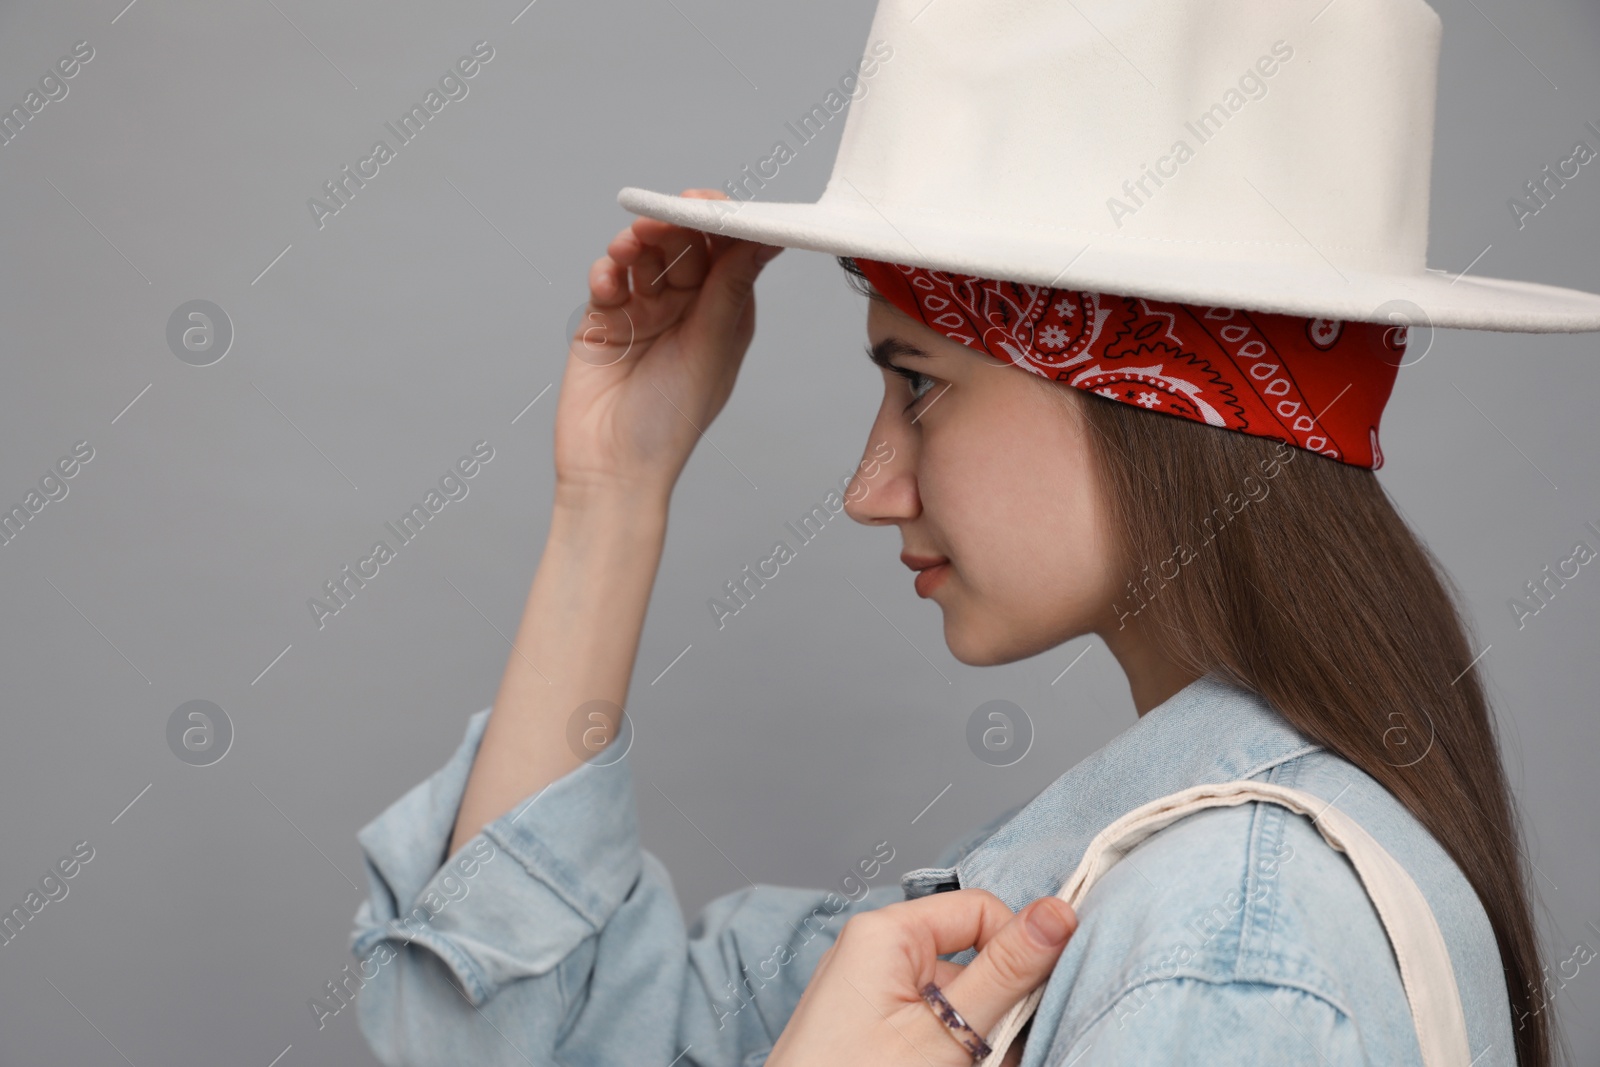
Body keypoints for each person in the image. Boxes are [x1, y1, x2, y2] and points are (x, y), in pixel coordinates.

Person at [350, 0, 1600, 1062]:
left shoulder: (1223, 949)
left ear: (1139, 391)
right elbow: (502, 1029)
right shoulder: (1123, 904)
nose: (869, 486)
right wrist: (610, 494)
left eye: (919, 381)